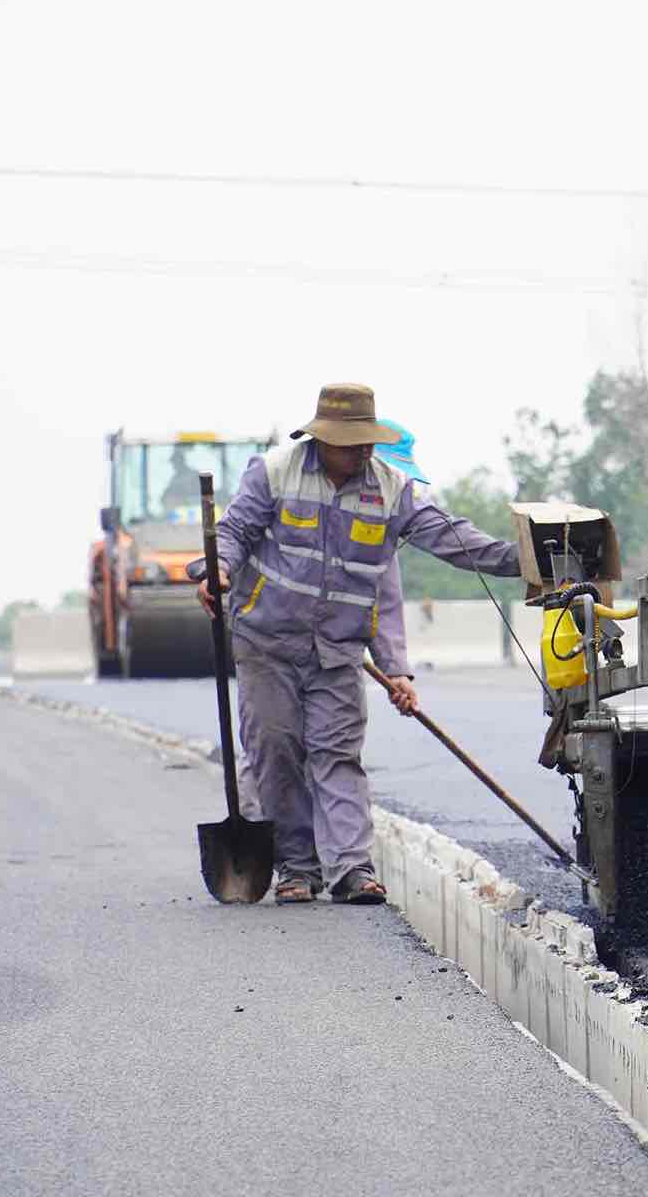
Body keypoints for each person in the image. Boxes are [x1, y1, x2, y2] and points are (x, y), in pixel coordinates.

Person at [202, 383, 523, 905]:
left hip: (337, 650)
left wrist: (522, 559)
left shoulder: (391, 491)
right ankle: (297, 867)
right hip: (267, 644)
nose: (364, 451)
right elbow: (234, 531)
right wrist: (216, 568)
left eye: (368, 441)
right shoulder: (275, 472)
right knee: (276, 754)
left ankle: (352, 869)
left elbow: (452, 540)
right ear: (323, 439)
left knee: (337, 756)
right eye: (352, 443)